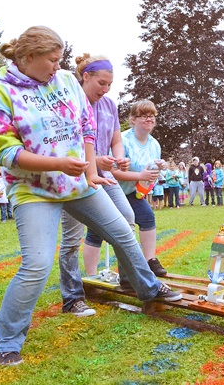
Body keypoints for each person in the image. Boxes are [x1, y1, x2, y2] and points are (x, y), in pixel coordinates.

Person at [0, 26, 181, 366]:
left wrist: (90, 171)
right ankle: (5, 342)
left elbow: (86, 126)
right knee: (38, 264)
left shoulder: (66, 83)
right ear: (29, 58)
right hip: (34, 190)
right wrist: (58, 163)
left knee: (121, 229)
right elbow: (4, 153)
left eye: (60, 60)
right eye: (52, 61)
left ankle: (147, 288)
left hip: (77, 183)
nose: (57, 68)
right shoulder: (1, 93)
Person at [57, 53, 166, 318]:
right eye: (101, 83)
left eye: (110, 84)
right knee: (72, 238)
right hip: (74, 177)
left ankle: (128, 277)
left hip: (105, 174)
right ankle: (72, 298)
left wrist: (119, 157)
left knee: (128, 217)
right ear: (86, 77)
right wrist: (95, 159)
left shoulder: (108, 105)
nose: (105, 89)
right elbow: (68, 146)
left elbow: (116, 138)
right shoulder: (71, 103)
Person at [112, 99, 172, 277]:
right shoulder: (122, 140)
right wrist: (139, 176)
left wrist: (159, 167)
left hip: (132, 192)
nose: (149, 119)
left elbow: (150, 174)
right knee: (96, 233)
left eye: (152, 116)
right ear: (132, 119)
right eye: (144, 116)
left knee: (147, 217)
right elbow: (111, 172)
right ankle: (91, 276)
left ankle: (150, 261)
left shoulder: (154, 144)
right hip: (111, 191)